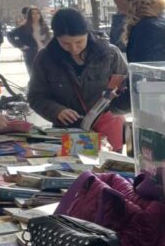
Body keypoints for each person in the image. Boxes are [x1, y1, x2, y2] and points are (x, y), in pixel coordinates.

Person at [27, 8, 128, 150]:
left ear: (88, 33)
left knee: (110, 170)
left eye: (79, 41)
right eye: (65, 43)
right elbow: (35, 96)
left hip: (108, 129)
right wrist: (56, 111)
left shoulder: (110, 54)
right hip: (70, 134)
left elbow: (127, 89)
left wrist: (116, 103)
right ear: (56, 38)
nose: (74, 49)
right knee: (77, 171)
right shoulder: (45, 58)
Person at [8, 7, 49, 75]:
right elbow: (10, 35)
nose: (36, 15)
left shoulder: (44, 26)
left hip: (44, 53)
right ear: (29, 15)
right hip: (31, 53)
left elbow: (48, 38)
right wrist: (21, 45)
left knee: (45, 74)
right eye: (33, 13)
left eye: (37, 13)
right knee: (33, 75)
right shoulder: (24, 27)